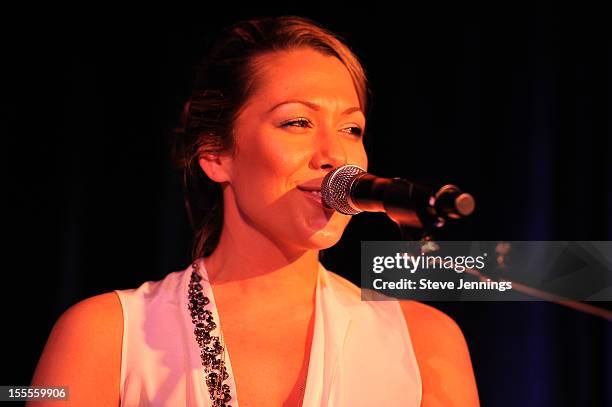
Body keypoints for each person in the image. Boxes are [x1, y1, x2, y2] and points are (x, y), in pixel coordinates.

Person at [30, 16, 479, 406]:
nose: (334, 155)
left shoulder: (425, 342)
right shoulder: (105, 334)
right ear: (216, 156)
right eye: (297, 122)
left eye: (351, 128)